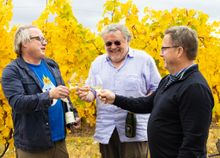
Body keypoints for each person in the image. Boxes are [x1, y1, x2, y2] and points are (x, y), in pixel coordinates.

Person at [98, 26, 214, 158]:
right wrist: (115, 98)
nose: (161, 53)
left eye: (164, 48)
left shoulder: (194, 88)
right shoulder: (169, 80)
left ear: (179, 51)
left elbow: (193, 145)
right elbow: (146, 103)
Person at [76, 23, 161, 158]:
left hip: (135, 130)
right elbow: (92, 90)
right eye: (108, 44)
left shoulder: (144, 60)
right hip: (107, 129)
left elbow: (157, 90)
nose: (113, 47)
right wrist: (87, 95)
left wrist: (144, 103)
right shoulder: (97, 63)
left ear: (127, 40)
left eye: (117, 42)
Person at [1, 25, 80, 158]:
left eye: (44, 39)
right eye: (39, 39)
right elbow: (17, 102)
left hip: (59, 141)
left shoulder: (51, 64)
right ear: (24, 43)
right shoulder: (12, 71)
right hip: (33, 146)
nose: (44, 42)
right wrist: (49, 95)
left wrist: (72, 114)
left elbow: (63, 94)